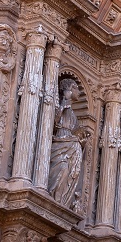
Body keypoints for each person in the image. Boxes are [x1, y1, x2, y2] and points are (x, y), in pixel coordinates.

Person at [48, 77, 83, 207]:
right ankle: (53, 195)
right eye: (76, 88)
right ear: (69, 89)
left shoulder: (73, 113)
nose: (78, 92)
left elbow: (75, 131)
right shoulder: (61, 106)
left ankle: (62, 200)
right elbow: (54, 121)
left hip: (70, 146)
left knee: (69, 172)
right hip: (60, 143)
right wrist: (65, 101)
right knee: (61, 169)